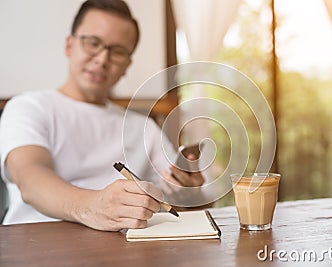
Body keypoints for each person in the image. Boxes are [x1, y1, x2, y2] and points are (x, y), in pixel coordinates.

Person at [0, 0, 204, 231]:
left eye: (117, 52)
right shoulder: (28, 107)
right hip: (35, 244)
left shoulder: (142, 128)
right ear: (69, 45)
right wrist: (92, 207)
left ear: (127, 64)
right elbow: (30, 179)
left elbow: (176, 204)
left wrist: (188, 191)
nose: (102, 59)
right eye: (92, 43)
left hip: (125, 251)